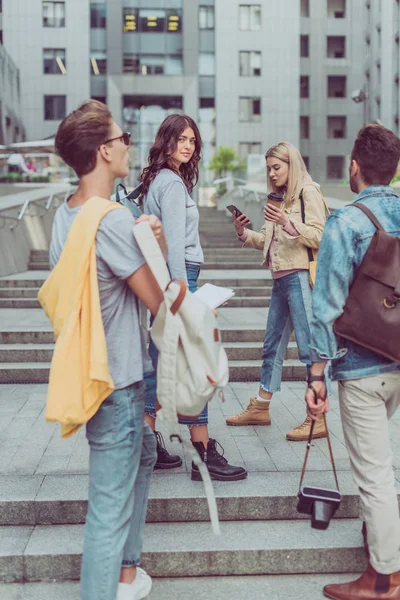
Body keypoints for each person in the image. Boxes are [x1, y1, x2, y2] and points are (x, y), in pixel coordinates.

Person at [50, 99, 165, 600]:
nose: (128, 145)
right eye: (121, 138)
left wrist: (144, 235)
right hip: (119, 380)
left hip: (94, 373)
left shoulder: (64, 216)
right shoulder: (111, 220)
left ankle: (127, 572)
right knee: (107, 508)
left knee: (142, 457)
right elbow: (159, 301)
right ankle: (106, 587)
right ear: (102, 151)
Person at [305, 125, 400, 599]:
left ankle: (383, 580)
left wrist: (317, 372)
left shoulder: (347, 221)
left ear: (355, 167)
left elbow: (325, 306)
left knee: (375, 474)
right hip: (399, 363)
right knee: (382, 465)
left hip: (360, 365)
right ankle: (381, 544)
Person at [141, 113, 247, 481]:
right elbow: (170, 240)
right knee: (194, 360)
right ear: (166, 141)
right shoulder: (170, 184)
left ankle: (145, 443)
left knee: (161, 360)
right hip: (177, 276)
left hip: (166, 278)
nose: (187, 146)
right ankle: (202, 454)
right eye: (181, 139)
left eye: (192, 141)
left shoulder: (159, 178)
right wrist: (182, 290)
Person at [225, 142, 328, 441]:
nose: (271, 174)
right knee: (272, 346)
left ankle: (317, 416)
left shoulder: (308, 192)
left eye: (276, 167)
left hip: (300, 279)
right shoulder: (280, 199)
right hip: (281, 279)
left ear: (291, 165)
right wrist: (243, 232)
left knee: (310, 349)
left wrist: (289, 223)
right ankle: (261, 406)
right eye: (269, 168)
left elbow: (323, 236)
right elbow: (271, 242)